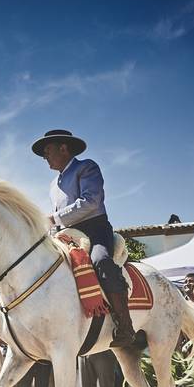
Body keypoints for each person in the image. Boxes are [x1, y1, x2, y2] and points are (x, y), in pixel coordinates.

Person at [32, 129, 136, 347]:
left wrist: (54, 218)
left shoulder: (86, 167)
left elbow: (91, 202)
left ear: (63, 148)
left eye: (48, 150)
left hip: (95, 229)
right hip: (66, 235)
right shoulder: (53, 185)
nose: (45, 157)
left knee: (102, 262)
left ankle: (125, 326)